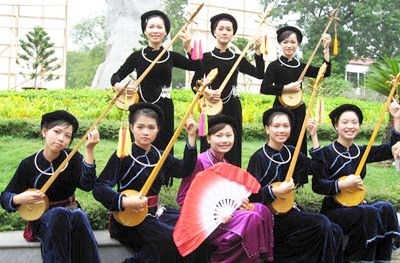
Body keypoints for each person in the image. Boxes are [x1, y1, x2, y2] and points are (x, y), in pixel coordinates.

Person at [92, 102, 200, 263]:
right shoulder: (123, 155)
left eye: (151, 127)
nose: (145, 132)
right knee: (170, 240)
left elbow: (185, 169)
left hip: (156, 214)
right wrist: (125, 201)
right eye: (140, 127)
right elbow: (99, 188)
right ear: (131, 127)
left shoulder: (160, 156)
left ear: (158, 129)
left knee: (193, 229)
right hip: (129, 219)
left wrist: (191, 137)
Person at [0, 110, 101, 263]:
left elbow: (88, 185)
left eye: (67, 136)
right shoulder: (28, 164)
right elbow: (5, 198)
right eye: (57, 131)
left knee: (79, 215)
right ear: (44, 131)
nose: (61, 139)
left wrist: (89, 150)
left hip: (71, 214)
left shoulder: (73, 159)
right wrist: (19, 198)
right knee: (59, 214)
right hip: (43, 220)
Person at [247, 106, 344, 263]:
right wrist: (275, 191)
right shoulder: (258, 158)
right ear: (267, 129)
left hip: (290, 211)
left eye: (286, 126)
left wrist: (314, 136)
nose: (282, 130)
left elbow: (317, 169)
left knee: (335, 230)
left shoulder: (291, 152)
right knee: (321, 223)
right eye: (276, 126)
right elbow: (251, 195)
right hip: (271, 218)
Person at [177, 114, 274, 262]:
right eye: (219, 135)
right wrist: (215, 213)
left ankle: (263, 256)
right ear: (208, 139)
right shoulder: (200, 162)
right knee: (251, 217)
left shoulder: (227, 164)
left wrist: (238, 204)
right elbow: (182, 199)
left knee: (261, 209)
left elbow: (227, 198)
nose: (224, 140)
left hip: (226, 217)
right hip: (204, 223)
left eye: (229, 135)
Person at [310, 103, 400, 261]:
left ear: (359, 126)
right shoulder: (326, 152)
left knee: (386, 208)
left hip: (357, 208)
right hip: (334, 210)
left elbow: (392, 149)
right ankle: (358, 258)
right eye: (345, 122)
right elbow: (317, 185)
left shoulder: (361, 152)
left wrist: (396, 117)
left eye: (354, 122)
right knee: (369, 212)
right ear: (336, 126)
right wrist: (342, 184)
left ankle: (381, 259)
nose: (350, 126)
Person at [111, 10, 201, 152]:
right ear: (145, 31)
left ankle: (162, 174)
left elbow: (198, 66)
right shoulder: (137, 56)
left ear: (165, 32)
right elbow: (116, 77)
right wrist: (119, 86)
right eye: (151, 27)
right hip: (141, 107)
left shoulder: (171, 57)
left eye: (159, 27)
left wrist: (188, 47)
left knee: (163, 146)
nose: (155, 31)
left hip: (164, 107)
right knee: (140, 145)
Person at [191, 13, 265, 167]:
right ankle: (207, 174)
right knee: (209, 141)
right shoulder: (205, 58)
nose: (224, 32)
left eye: (228, 29)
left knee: (232, 142)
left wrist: (257, 51)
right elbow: (194, 84)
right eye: (221, 29)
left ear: (233, 33)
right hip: (211, 107)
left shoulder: (237, 58)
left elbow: (259, 74)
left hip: (232, 105)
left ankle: (232, 178)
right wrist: (207, 93)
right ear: (214, 32)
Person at [260, 26, 331, 154]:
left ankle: (298, 172)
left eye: (293, 42)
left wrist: (326, 49)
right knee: (280, 141)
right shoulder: (274, 66)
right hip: (280, 109)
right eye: (285, 42)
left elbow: (324, 72)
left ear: (298, 44)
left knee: (298, 142)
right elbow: (264, 88)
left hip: (299, 110)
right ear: (280, 44)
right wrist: (285, 88)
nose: (289, 45)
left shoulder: (301, 66)